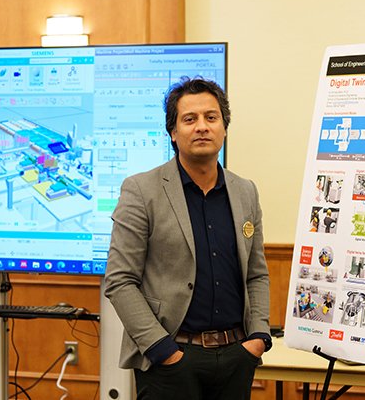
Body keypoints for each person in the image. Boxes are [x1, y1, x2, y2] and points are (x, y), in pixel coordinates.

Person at [104, 77, 272, 400]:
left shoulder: (245, 191)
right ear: (173, 132)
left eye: (211, 118)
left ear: (224, 128)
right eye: (189, 119)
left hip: (237, 355)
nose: (202, 127)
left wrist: (258, 337)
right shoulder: (141, 191)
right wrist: (161, 349)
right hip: (170, 360)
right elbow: (119, 280)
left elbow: (256, 272)